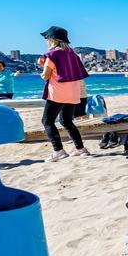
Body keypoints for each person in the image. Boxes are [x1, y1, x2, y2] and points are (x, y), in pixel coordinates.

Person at [38, 26, 89, 161]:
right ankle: (80, 148)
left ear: (52, 39)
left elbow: (46, 76)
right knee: (66, 120)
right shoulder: (72, 53)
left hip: (57, 93)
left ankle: (58, 151)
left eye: (46, 37)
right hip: (72, 92)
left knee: (47, 121)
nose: (46, 40)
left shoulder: (52, 54)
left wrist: (42, 67)